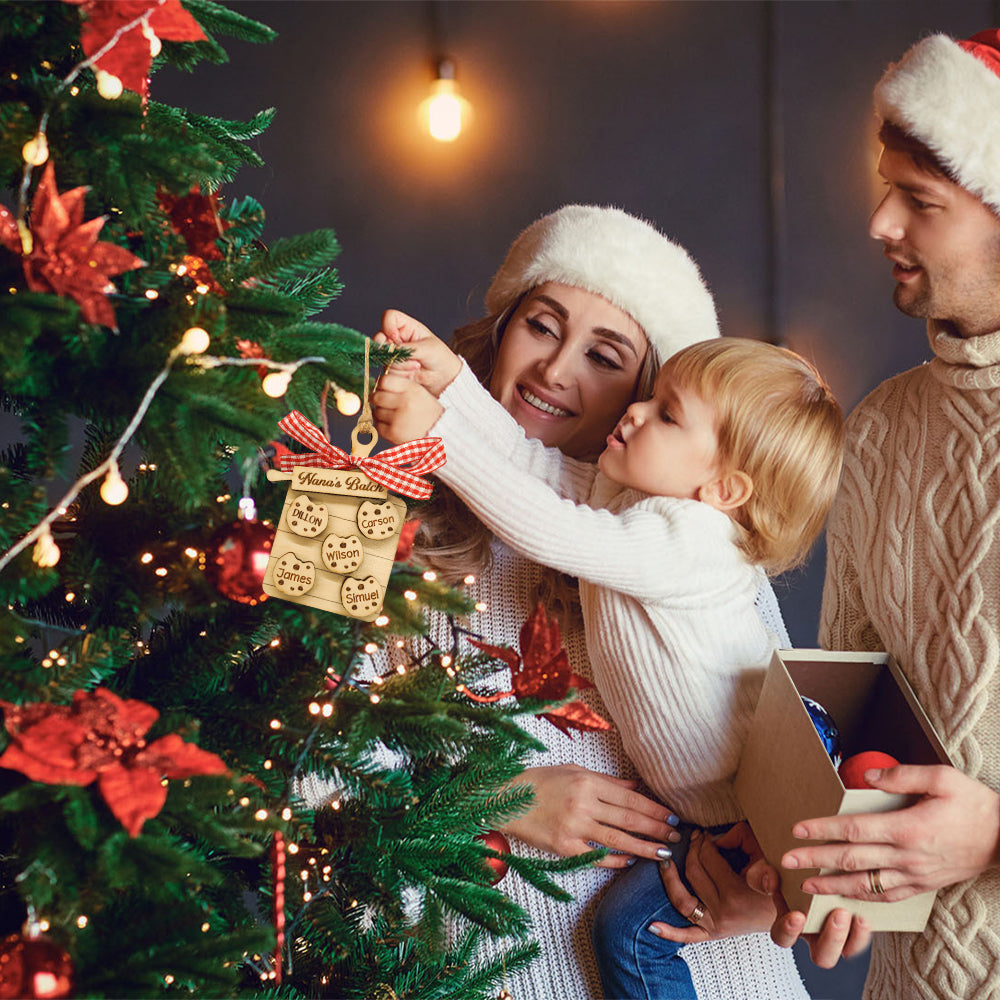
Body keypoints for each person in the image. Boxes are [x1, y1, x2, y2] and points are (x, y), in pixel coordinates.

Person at [359, 204, 813, 998]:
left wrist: (769, 895)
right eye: (541, 326)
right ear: (502, 328)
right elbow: (281, 754)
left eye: (606, 356)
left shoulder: (696, 540)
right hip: (498, 973)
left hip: (715, 970)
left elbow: (794, 767)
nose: (555, 371)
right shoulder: (360, 498)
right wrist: (495, 796)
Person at [654, 28, 1000, 998]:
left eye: (921, 203)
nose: (880, 222)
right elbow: (846, 708)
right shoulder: (885, 429)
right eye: (885, 187)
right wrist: (793, 860)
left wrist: (990, 834)